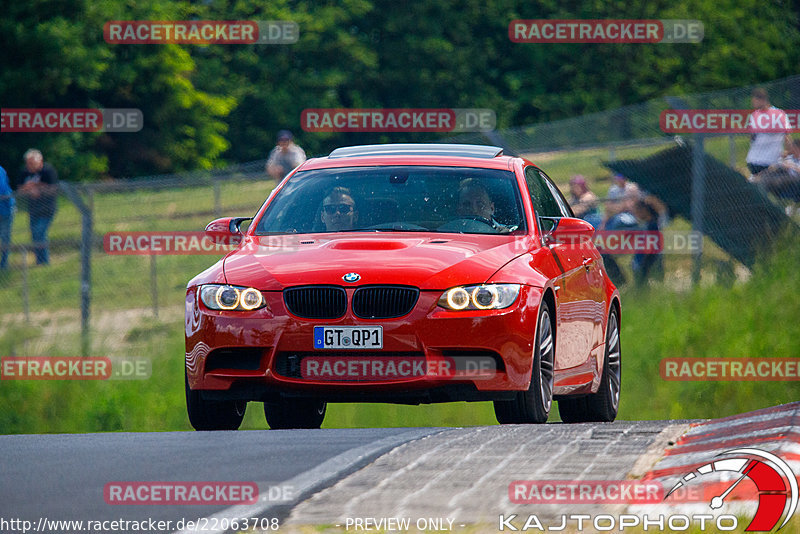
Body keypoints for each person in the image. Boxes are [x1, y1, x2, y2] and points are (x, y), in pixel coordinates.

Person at [13, 149, 58, 265]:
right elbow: (19, 189)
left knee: (40, 233)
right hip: (33, 210)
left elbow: (53, 189)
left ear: (40, 161)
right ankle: (39, 260)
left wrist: (37, 188)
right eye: (28, 163)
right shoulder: (25, 172)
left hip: (47, 209)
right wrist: (28, 189)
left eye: (32, 163)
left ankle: (44, 261)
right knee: (35, 235)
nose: (29, 166)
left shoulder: (48, 171)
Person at [746, 87, 790, 177]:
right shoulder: (754, 115)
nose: (752, 103)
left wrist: (788, 152)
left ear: (762, 100)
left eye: (754, 100)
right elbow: (752, 137)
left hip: (771, 160)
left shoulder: (779, 114)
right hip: (755, 160)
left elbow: (787, 136)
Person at [0, 164, 15, 270]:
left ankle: (4, 263)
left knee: (5, 237)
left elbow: (4, 189)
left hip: (4, 210)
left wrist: (10, 206)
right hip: (5, 208)